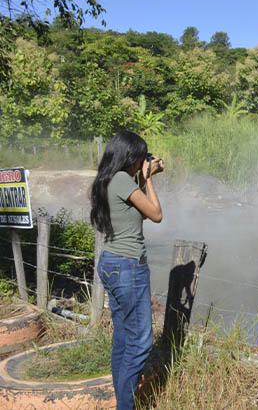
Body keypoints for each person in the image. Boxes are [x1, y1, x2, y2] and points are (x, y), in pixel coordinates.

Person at [89, 130, 164, 410]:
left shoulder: (108, 179)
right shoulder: (122, 180)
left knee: (122, 338)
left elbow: (141, 210)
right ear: (131, 157)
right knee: (141, 342)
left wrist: (143, 177)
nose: (144, 161)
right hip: (128, 267)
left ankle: (122, 401)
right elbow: (156, 214)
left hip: (111, 263)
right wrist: (149, 178)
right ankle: (125, 405)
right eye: (142, 156)